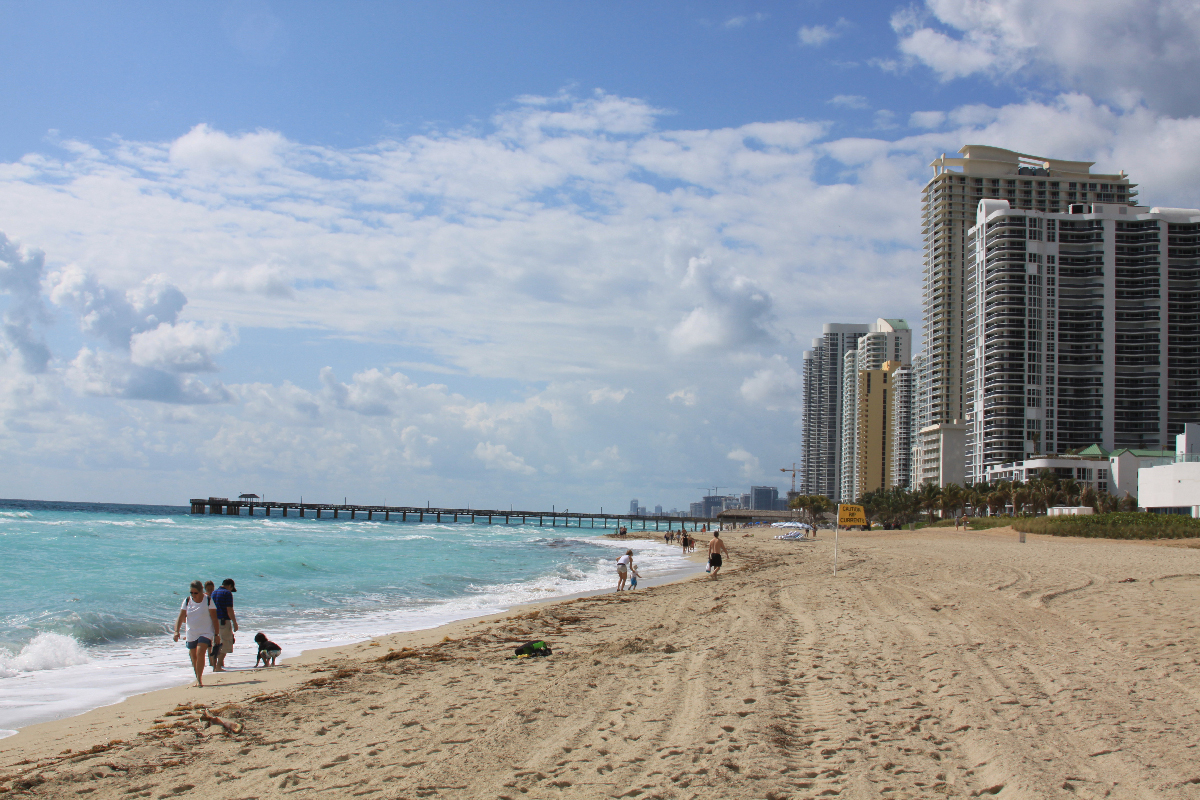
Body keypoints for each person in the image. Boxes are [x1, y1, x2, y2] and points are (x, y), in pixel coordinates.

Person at [173, 580, 220, 687]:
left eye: (196, 593)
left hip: (206, 632)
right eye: (191, 593)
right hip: (191, 633)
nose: (193, 595)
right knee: (193, 657)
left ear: (201, 591)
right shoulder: (187, 601)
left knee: (200, 652)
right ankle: (198, 677)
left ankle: (199, 680)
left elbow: (214, 618)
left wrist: (217, 634)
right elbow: (181, 616)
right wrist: (176, 631)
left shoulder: (208, 600)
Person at [209, 578, 239, 671]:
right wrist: (234, 622)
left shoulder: (213, 593)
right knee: (225, 644)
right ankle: (219, 666)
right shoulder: (227, 593)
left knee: (216, 644)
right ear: (230, 586)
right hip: (223, 621)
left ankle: (214, 666)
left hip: (213, 621)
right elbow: (229, 609)